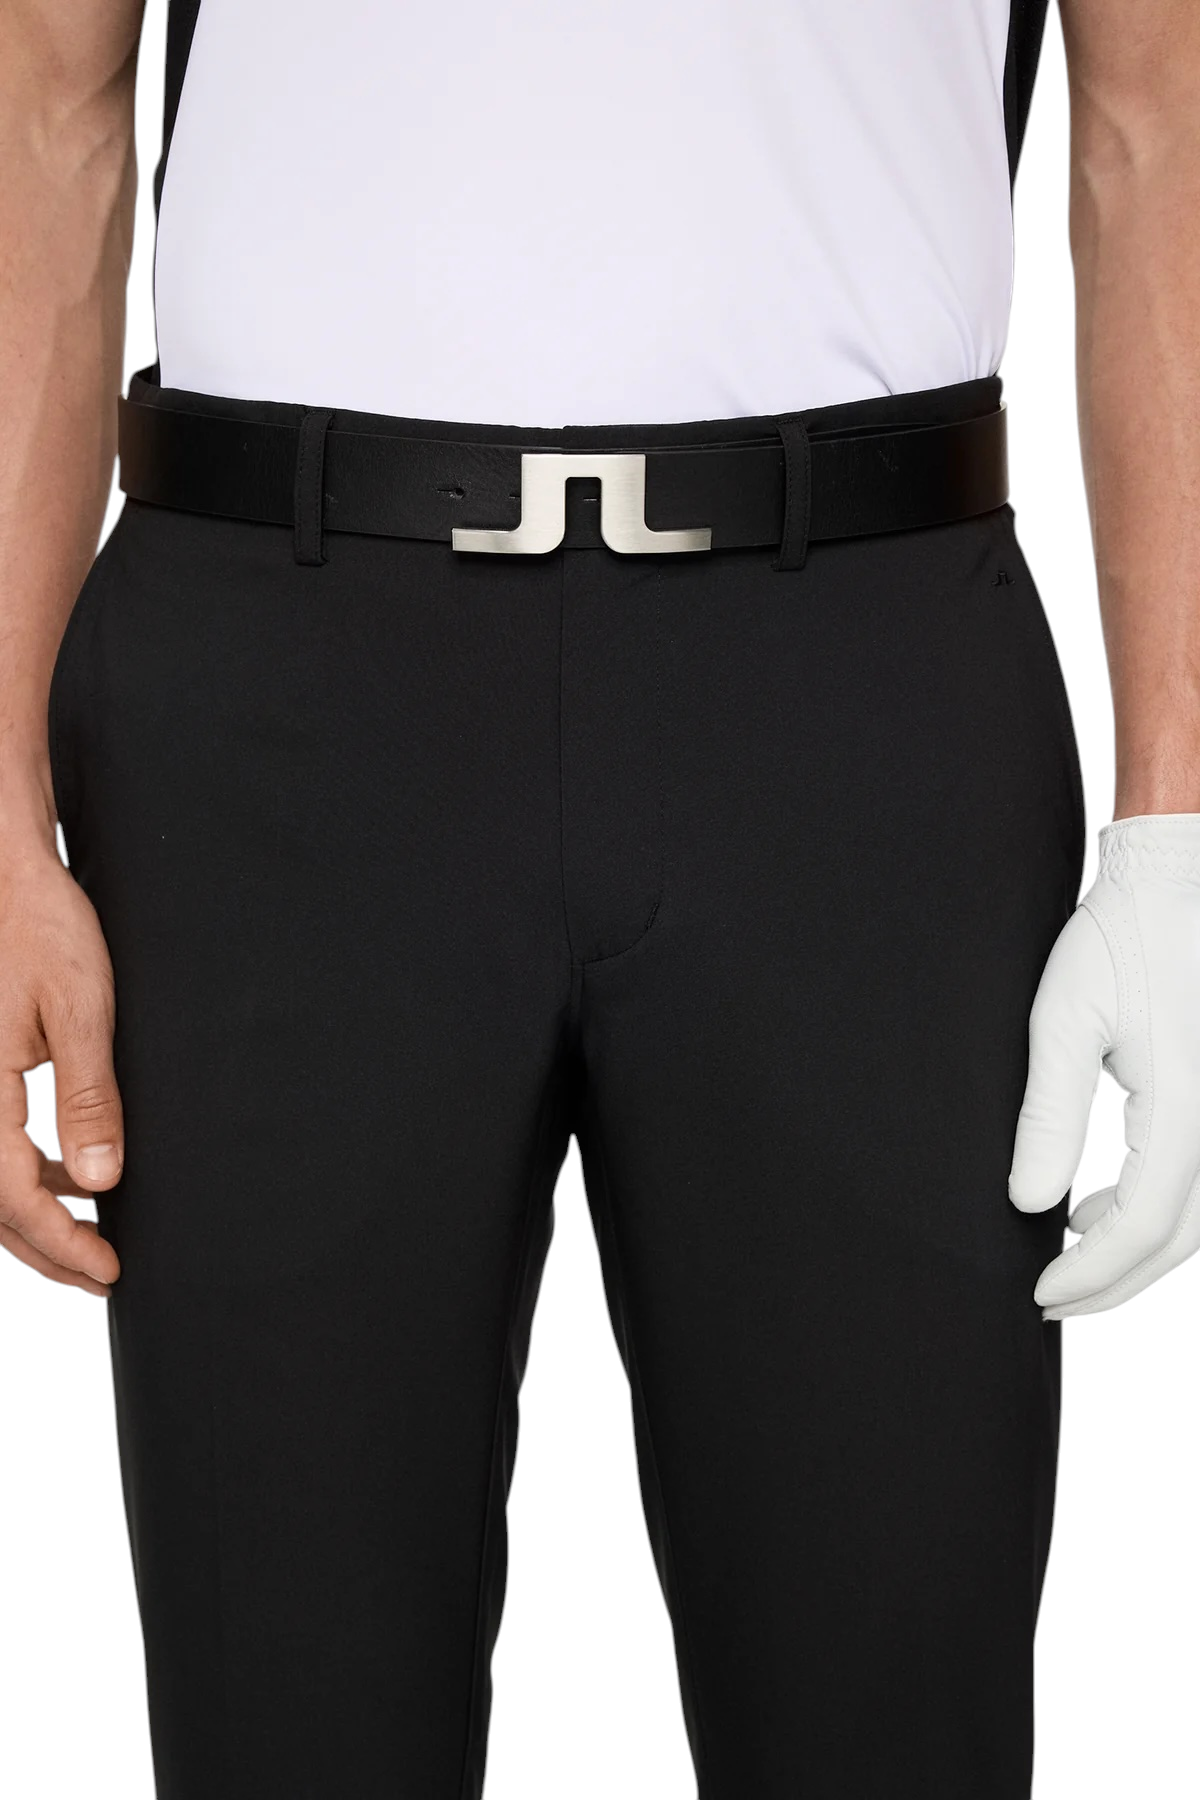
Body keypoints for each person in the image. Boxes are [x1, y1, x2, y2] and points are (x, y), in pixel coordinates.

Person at [2, 2, 1197, 1796]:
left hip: (858, 695)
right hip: (281, 705)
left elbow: (1160, 109)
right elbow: (47, 93)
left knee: (893, 1715)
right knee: (285, 1721)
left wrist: (1179, 826)